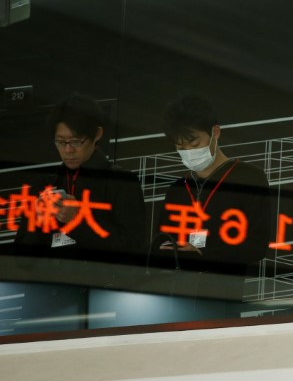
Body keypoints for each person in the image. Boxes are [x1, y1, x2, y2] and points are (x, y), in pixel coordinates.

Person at [150, 94, 272, 304]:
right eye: (180, 148)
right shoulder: (178, 189)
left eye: (194, 143)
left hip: (224, 294)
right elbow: (161, 242)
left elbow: (257, 245)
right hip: (176, 295)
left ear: (215, 132)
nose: (188, 153)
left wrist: (203, 250)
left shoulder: (249, 178)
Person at [12, 93, 146, 275]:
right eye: (60, 142)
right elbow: (22, 261)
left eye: (76, 141)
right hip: (48, 290)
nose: (68, 150)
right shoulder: (44, 185)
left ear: (97, 134)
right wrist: (37, 221)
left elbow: (132, 252)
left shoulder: (122, 182)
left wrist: (78, 220)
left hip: (98, 292)